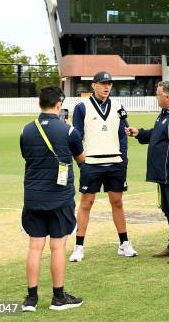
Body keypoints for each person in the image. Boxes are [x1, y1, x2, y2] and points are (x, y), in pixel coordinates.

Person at [20, 85, 85, 312]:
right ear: (59, 104)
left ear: (40, 103)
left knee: (35, 247)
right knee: (58, 247)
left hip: (33, 196)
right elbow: (81, 158)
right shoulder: (68, 131)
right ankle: (58, 297)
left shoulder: (26, 130)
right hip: (60, 198)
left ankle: (31, 298)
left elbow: (26, 155)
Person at [68, 71, 137, 262]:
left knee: (117, 202)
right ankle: (78, 247)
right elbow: (76, 137)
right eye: (103, 83)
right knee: (86, 203)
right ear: (94, 85)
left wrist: (123, 158)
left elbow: (124, 133)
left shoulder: (118, 106)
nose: (107, 87)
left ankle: (124, 243)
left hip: (115, 162)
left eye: (109, 84)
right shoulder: (82, 107)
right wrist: (82, 162)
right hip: (91, 163)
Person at [126, 81, 169, 264]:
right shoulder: (166, 114)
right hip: (164, 174)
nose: (156, 97)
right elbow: (157, 135)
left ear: (167, 96)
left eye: (157, 94)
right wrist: (139, 133)